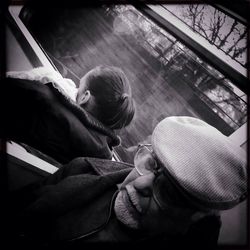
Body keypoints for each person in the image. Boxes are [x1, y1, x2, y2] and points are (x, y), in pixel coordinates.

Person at [8, 116, 247, 247]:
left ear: (198, 218)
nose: (141, 185)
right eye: (152, 164)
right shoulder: (84, 168)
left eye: (170, 193)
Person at [1, 65, 135, 163]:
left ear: (85, 97)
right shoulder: (101, 158)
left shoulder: (42, 95)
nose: (74, 88)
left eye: (79, 87)